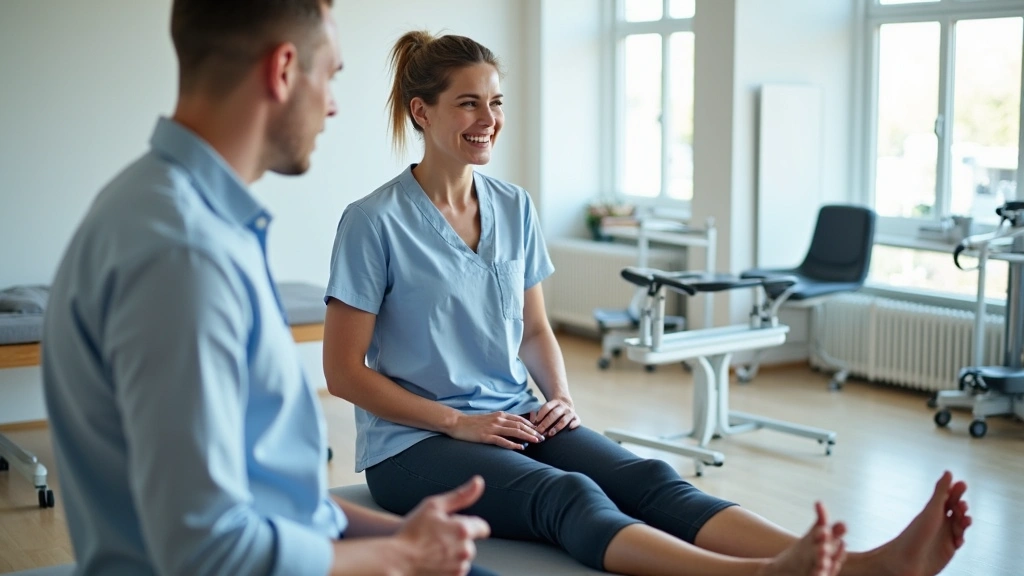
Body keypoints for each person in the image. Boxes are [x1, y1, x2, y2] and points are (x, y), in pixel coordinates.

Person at [322, 30, 973, 576]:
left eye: (495, 102)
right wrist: (458, 423)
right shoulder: (372, 222)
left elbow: (535, 330)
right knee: (567, 494)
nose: (488, 120)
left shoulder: (514, 206)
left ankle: (863, 568)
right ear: (421, 112)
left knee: (647, 477)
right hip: (413, 447)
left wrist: (562, 401)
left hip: (515, 414)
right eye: (468, 104)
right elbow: (344, 373)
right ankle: (761, 575)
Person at [42, 4, 495, 576]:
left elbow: (267, 499)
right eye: (330, 75)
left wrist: (404, 532)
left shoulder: (169, 208)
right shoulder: (184, 254)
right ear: (283, 70)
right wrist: (403, 553)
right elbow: (206, 552)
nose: (333, 104)